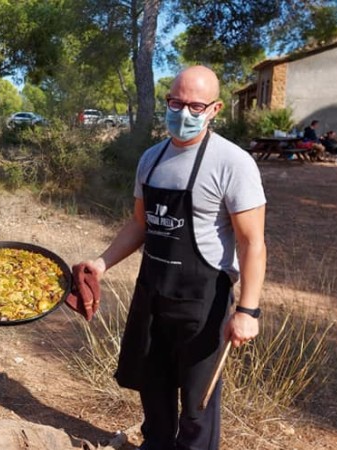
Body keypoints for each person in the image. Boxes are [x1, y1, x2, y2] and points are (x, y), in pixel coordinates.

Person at [68, 66, 266, 450]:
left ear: (215, 109)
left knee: (197, 406)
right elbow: (140, 224)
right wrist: (102, 263)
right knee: (153, 391)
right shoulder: (151, 159)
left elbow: (252, 242)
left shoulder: (233, 162)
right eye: (176, 102)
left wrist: (248, 311)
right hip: (153, 293)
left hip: (203, 301)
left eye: (195, 105)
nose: (184, 112)